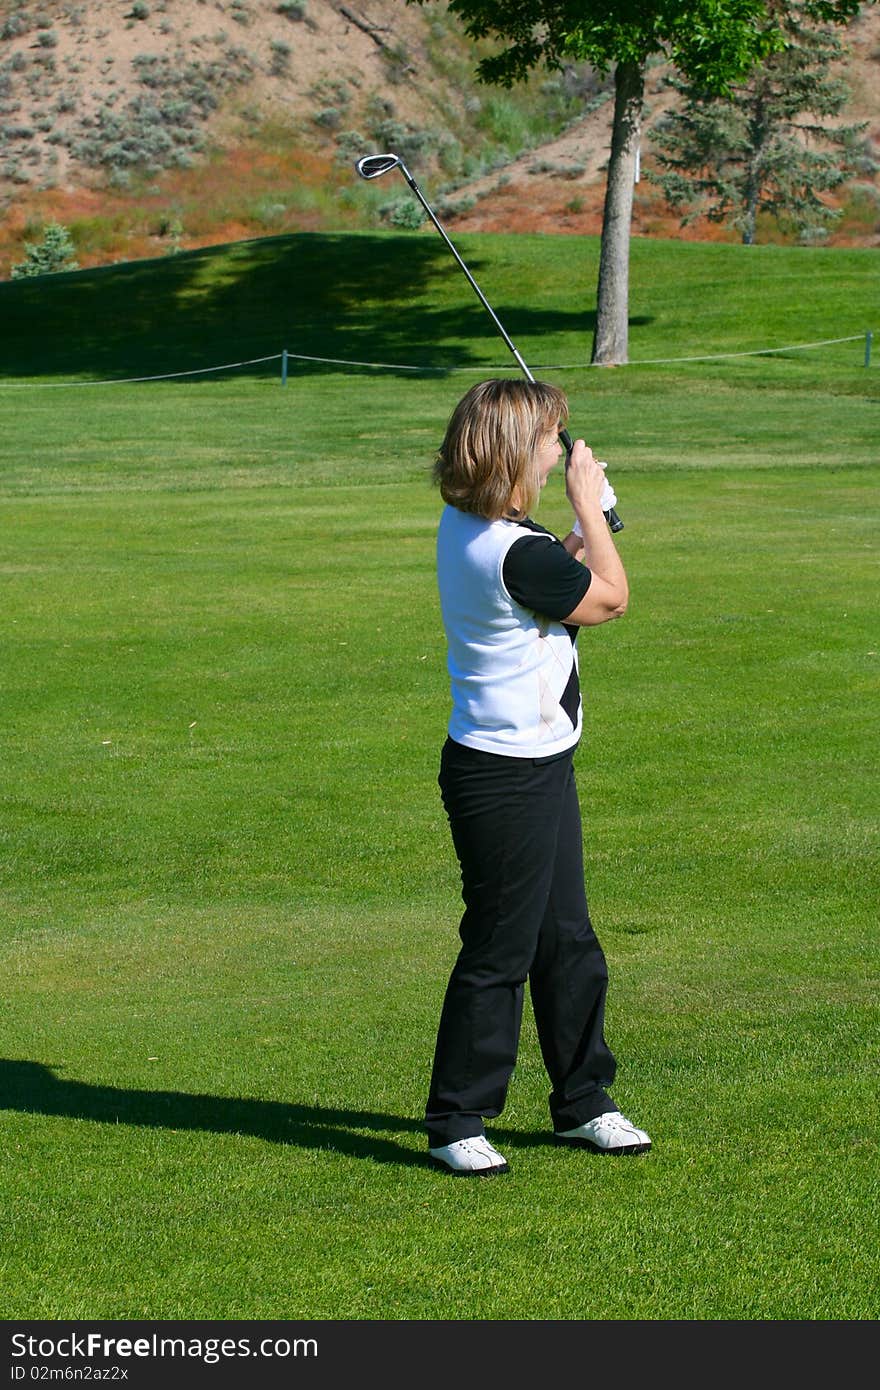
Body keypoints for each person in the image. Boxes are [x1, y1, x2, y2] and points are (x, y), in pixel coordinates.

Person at [425, 377, 651, 1176]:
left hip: (538, 763)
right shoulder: (512, 550)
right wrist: (593, 508)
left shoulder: (480, 525)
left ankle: (584, 1102)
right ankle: (457, 1118)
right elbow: (612, 601)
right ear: (519, 452)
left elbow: (558, 577)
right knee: (500, 948)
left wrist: (583, 530)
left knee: (568, 940)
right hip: (503, 776)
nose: (560, 451)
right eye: (551, 440)